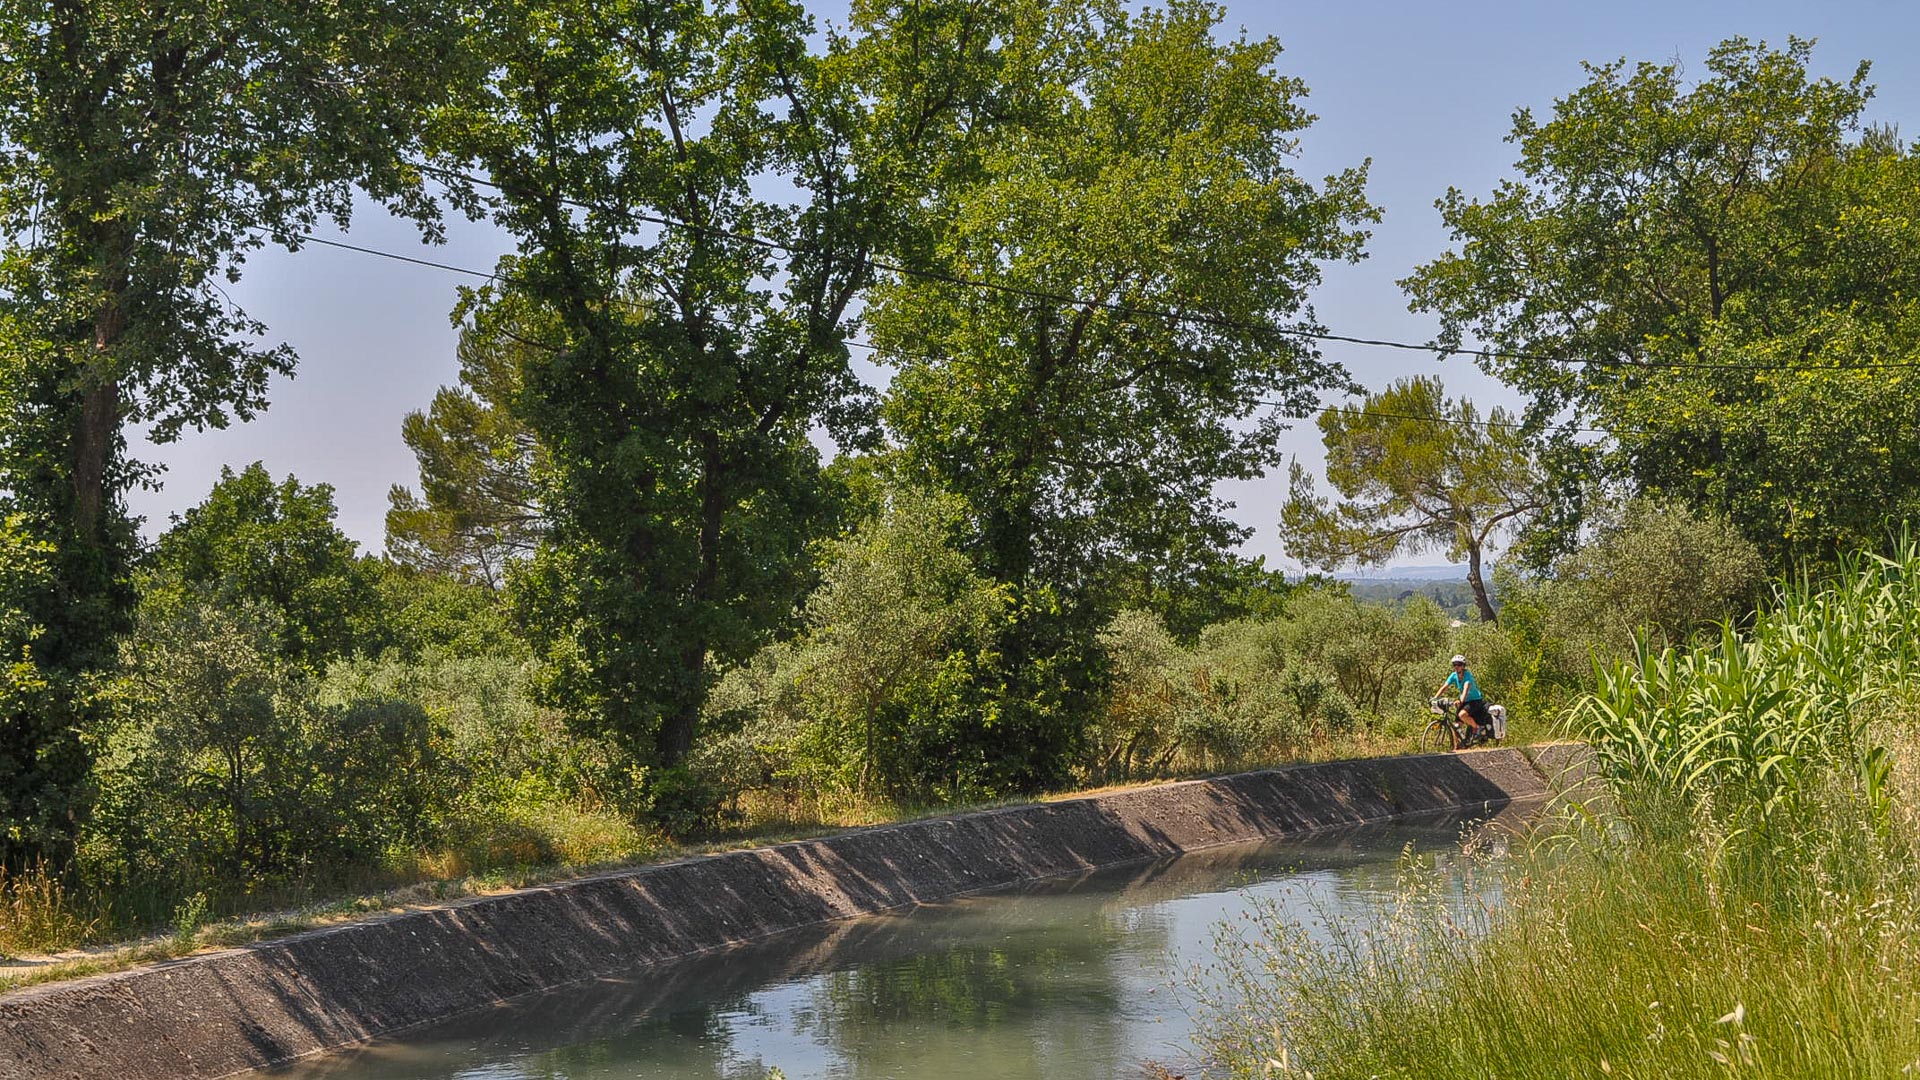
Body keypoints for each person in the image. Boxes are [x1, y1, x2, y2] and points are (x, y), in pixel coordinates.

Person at [1438, 654, 1492, 746]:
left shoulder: (1467, 676)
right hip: (1465, 701)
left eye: (1459, 664)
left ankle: (1477, 728)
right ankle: (1458, 746)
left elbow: (1466, 689)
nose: (1456, 667)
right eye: (1454, 664)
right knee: (1456, 726)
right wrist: (1435, 698)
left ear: (1463, 666)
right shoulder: (1453, 675)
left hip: (1475, 701)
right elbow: (1444, 687)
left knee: (1462, 714)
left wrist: (1460, 700)